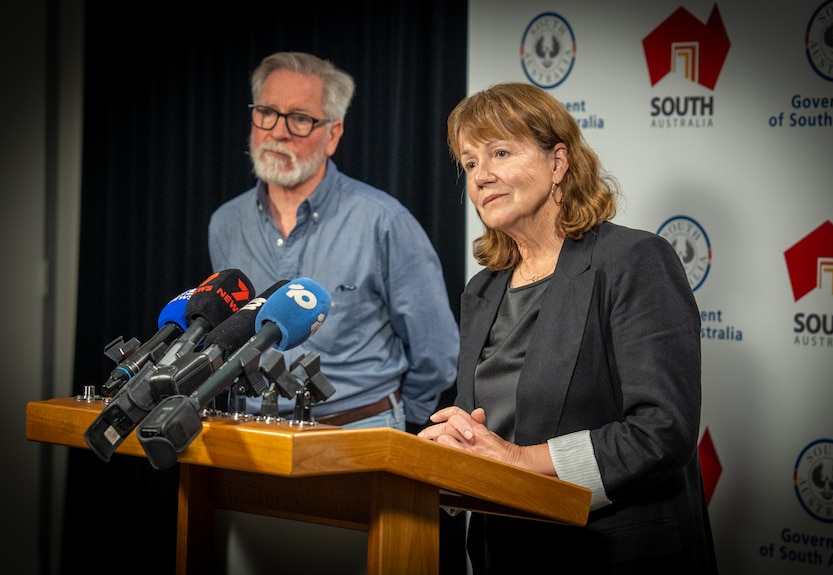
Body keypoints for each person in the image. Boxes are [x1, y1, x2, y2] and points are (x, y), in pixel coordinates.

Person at [418, 82, 719, 574]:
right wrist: (454, 450)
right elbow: (486, 426)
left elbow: (663, 430)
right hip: (504, 551)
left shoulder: (633, 260)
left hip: (610, 554)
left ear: (557, 163)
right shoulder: (483, 288)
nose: (482, 176)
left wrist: (518, 461)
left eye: (500, 153)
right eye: (470, 163)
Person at [208, 52, 459, 431]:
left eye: (300, 118)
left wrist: (397, 420)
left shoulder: (383, 221)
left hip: (359, 429)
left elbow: (436, 350)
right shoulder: (225, 223)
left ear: (333, 134)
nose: (278, 131)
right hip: (252, 432)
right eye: (267, 112)